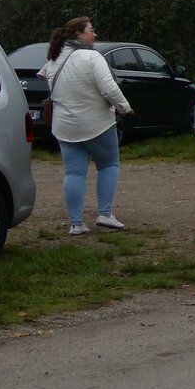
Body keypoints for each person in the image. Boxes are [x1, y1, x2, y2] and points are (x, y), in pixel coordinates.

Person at [38, 16, 133, 235]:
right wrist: (125, 108)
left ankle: (76, 223)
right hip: (97, 124)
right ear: (78, 34)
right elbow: (109, 88)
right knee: (108, 164)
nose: (95, 34)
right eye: (91, 30)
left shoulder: (53, 60)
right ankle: (105, 214)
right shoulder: (91, 57)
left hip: (65, 127)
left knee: (74, 173)